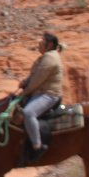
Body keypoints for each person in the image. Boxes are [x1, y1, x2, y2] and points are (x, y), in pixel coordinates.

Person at [15, 32, 64, 160]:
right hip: (40, 92)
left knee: (28, 113)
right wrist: (25, 82)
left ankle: (37, 146)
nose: (39, 46)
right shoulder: (45, 57)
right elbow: (34, 76)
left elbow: (37, 80)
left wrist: (25, 91)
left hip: (48, 94)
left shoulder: (50, 58)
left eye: (41, 43)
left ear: (50, 45)